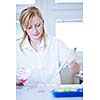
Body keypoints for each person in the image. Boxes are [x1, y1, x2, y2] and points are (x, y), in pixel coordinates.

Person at [16, 6, 80, 87]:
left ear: (43, 22)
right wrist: (18, 80)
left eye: (38, 25)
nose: (35, 31)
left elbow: (76, 71)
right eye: (29, 27)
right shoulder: (17, 47)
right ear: (24, 28)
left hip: (52, 94)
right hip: (27, 95)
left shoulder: (56, 43)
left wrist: (72, 62)